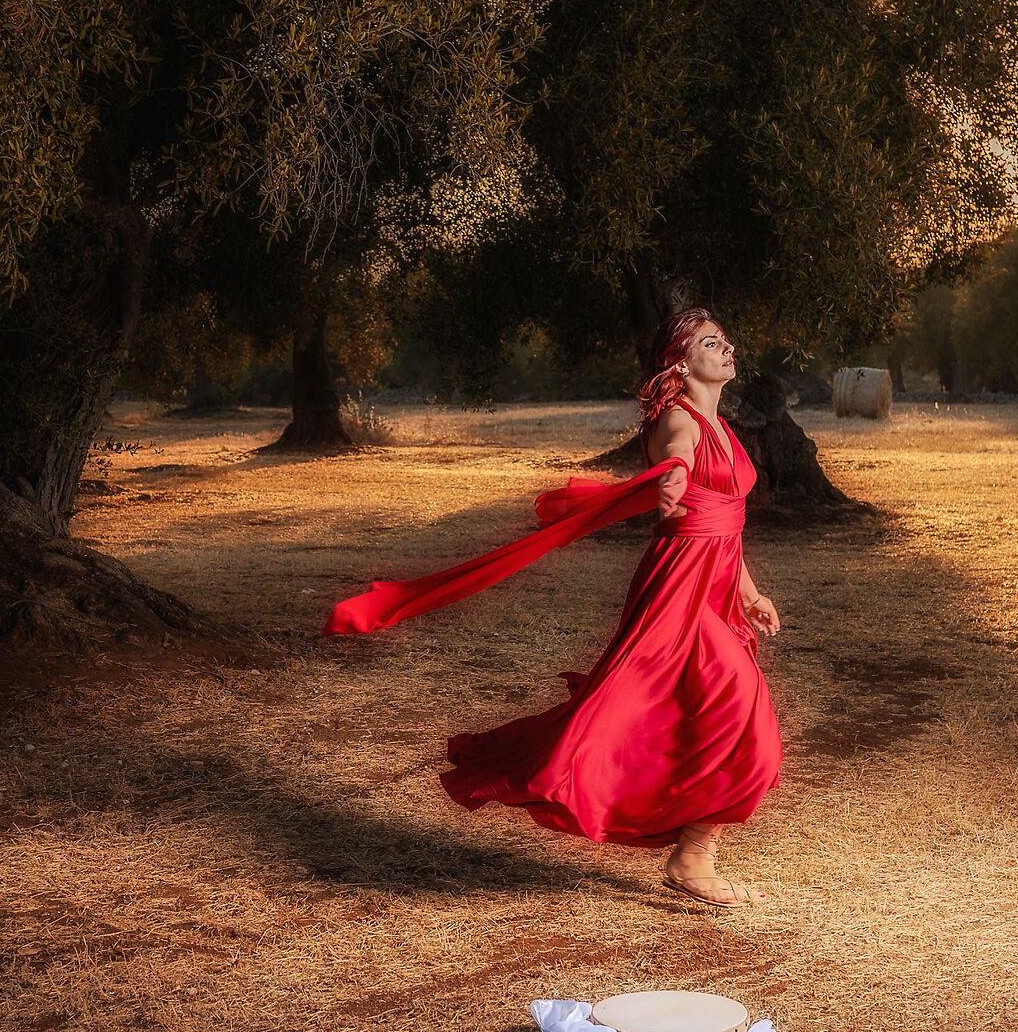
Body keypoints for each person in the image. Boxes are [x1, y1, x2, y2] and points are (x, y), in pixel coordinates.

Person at [324, 306, 786, 907]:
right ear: (680, 362)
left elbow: (724, 522)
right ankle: (689, 852)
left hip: (717, 586)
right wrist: (672, 473)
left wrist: (749, 593)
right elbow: (675, 453)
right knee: (741, 714)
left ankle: (694, 853)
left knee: (700, 717)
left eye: (724, 340)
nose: (726, 349)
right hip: (680, 590)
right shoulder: (680, 421)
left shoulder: (721, 425)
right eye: (709, 342)